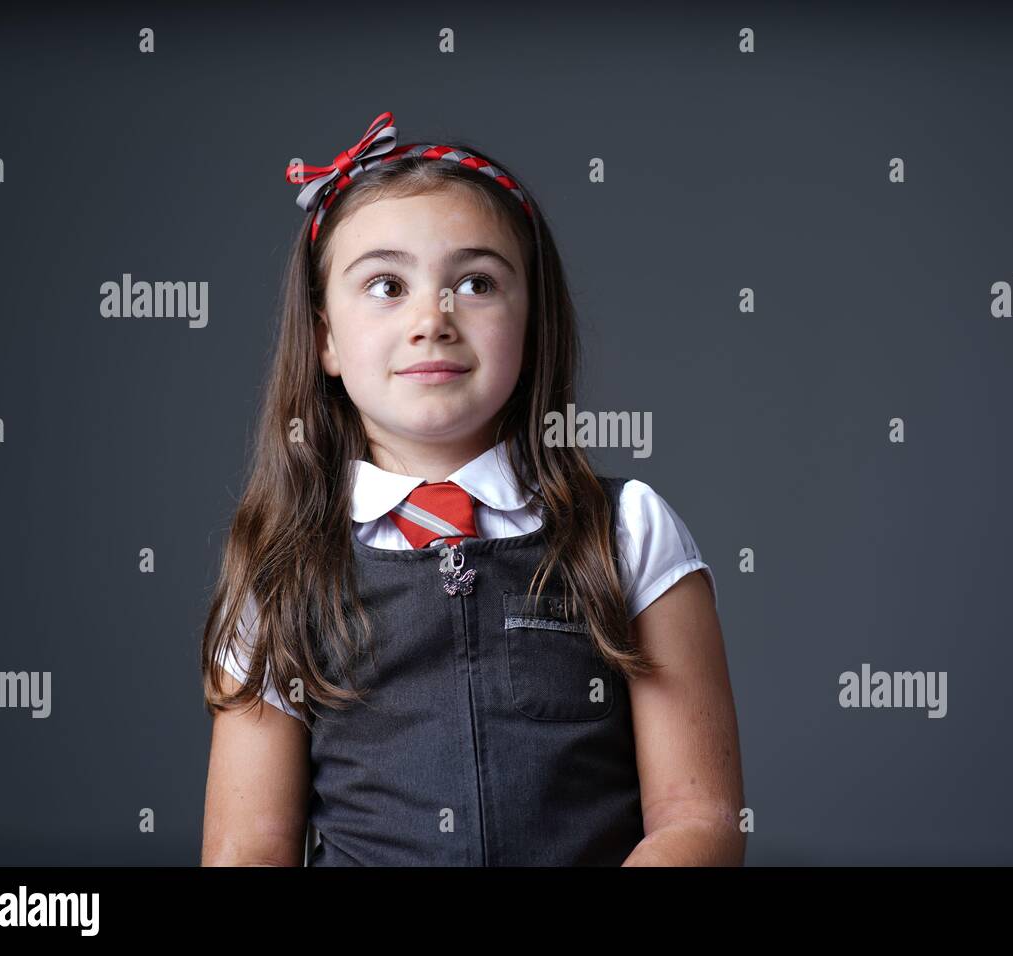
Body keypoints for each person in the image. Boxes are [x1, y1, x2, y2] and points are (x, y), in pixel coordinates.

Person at [199, 111, 744, 866]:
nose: (433, 318)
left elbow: (700, 823)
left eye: (476, 283)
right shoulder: (279, 566)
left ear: (533, 321)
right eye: (386, 285)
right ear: (324, 337)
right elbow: (246, 848)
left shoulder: (628, 533)